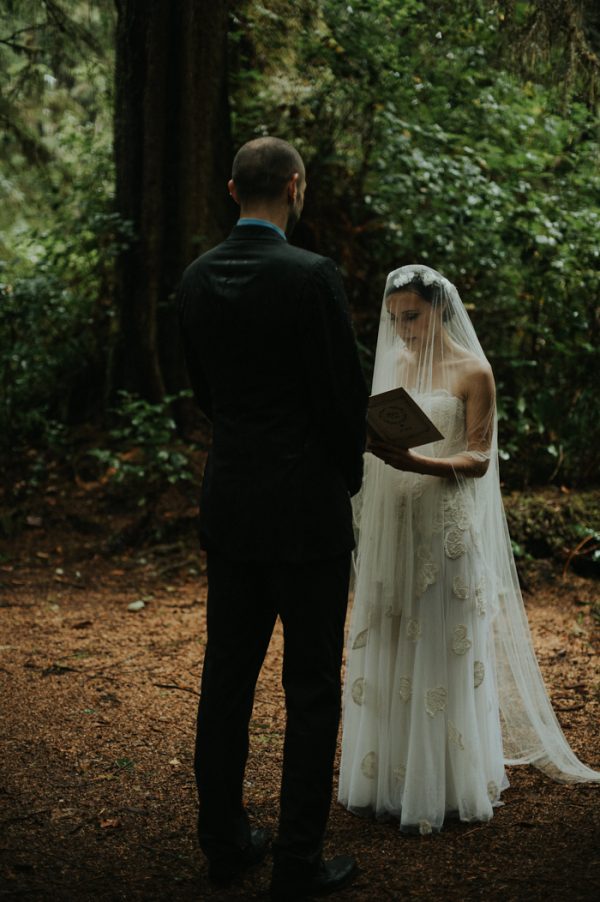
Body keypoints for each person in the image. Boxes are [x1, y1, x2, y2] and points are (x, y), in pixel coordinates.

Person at [338, 263, 599, 834]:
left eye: (412, 317)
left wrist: (418, 462)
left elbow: (479, 459)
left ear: (439, 309)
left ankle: (445, 782)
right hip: (398, 523)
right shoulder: (396, 364)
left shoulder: (472, 370)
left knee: (440, 643)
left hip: (445, 525)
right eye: (394, 320)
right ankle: (391, 775)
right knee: (391, 636)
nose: (404, 330)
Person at [177, 137, 368, 899]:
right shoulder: (312, 276)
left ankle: (225, 845)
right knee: (312, 686)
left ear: (231, 189)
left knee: (227, 675)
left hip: (232, 502)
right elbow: (342, 401)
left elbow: (204, 396)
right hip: (307, 515)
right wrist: (343, 480)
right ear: (295, 187)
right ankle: (296, 863)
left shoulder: (194, 279)